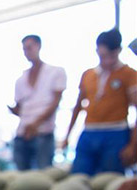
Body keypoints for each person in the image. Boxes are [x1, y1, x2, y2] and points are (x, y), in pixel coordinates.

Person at [64, 29, 137, 175]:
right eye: (103, 55)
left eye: (112, 55)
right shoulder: (88, 75)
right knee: (79, 176)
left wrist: (132, 145)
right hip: (89, 131)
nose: (107, 61)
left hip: (116, 133)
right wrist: (67, 135)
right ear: (97, 50)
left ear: (119, 51)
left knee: (109, 179)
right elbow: (78, 107)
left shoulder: (129, 74)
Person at [9, 35, 67, 170]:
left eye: (29, 47)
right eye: (24, 49)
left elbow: (55, 102)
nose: (26, 52)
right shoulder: (21, 79)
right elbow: (20, 108)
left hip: (43, 132)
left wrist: (36, 124)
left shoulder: (55, 72)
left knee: (43, 172)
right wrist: (14, 111)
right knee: (21, 175)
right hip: (23, 133)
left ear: (39, 46)